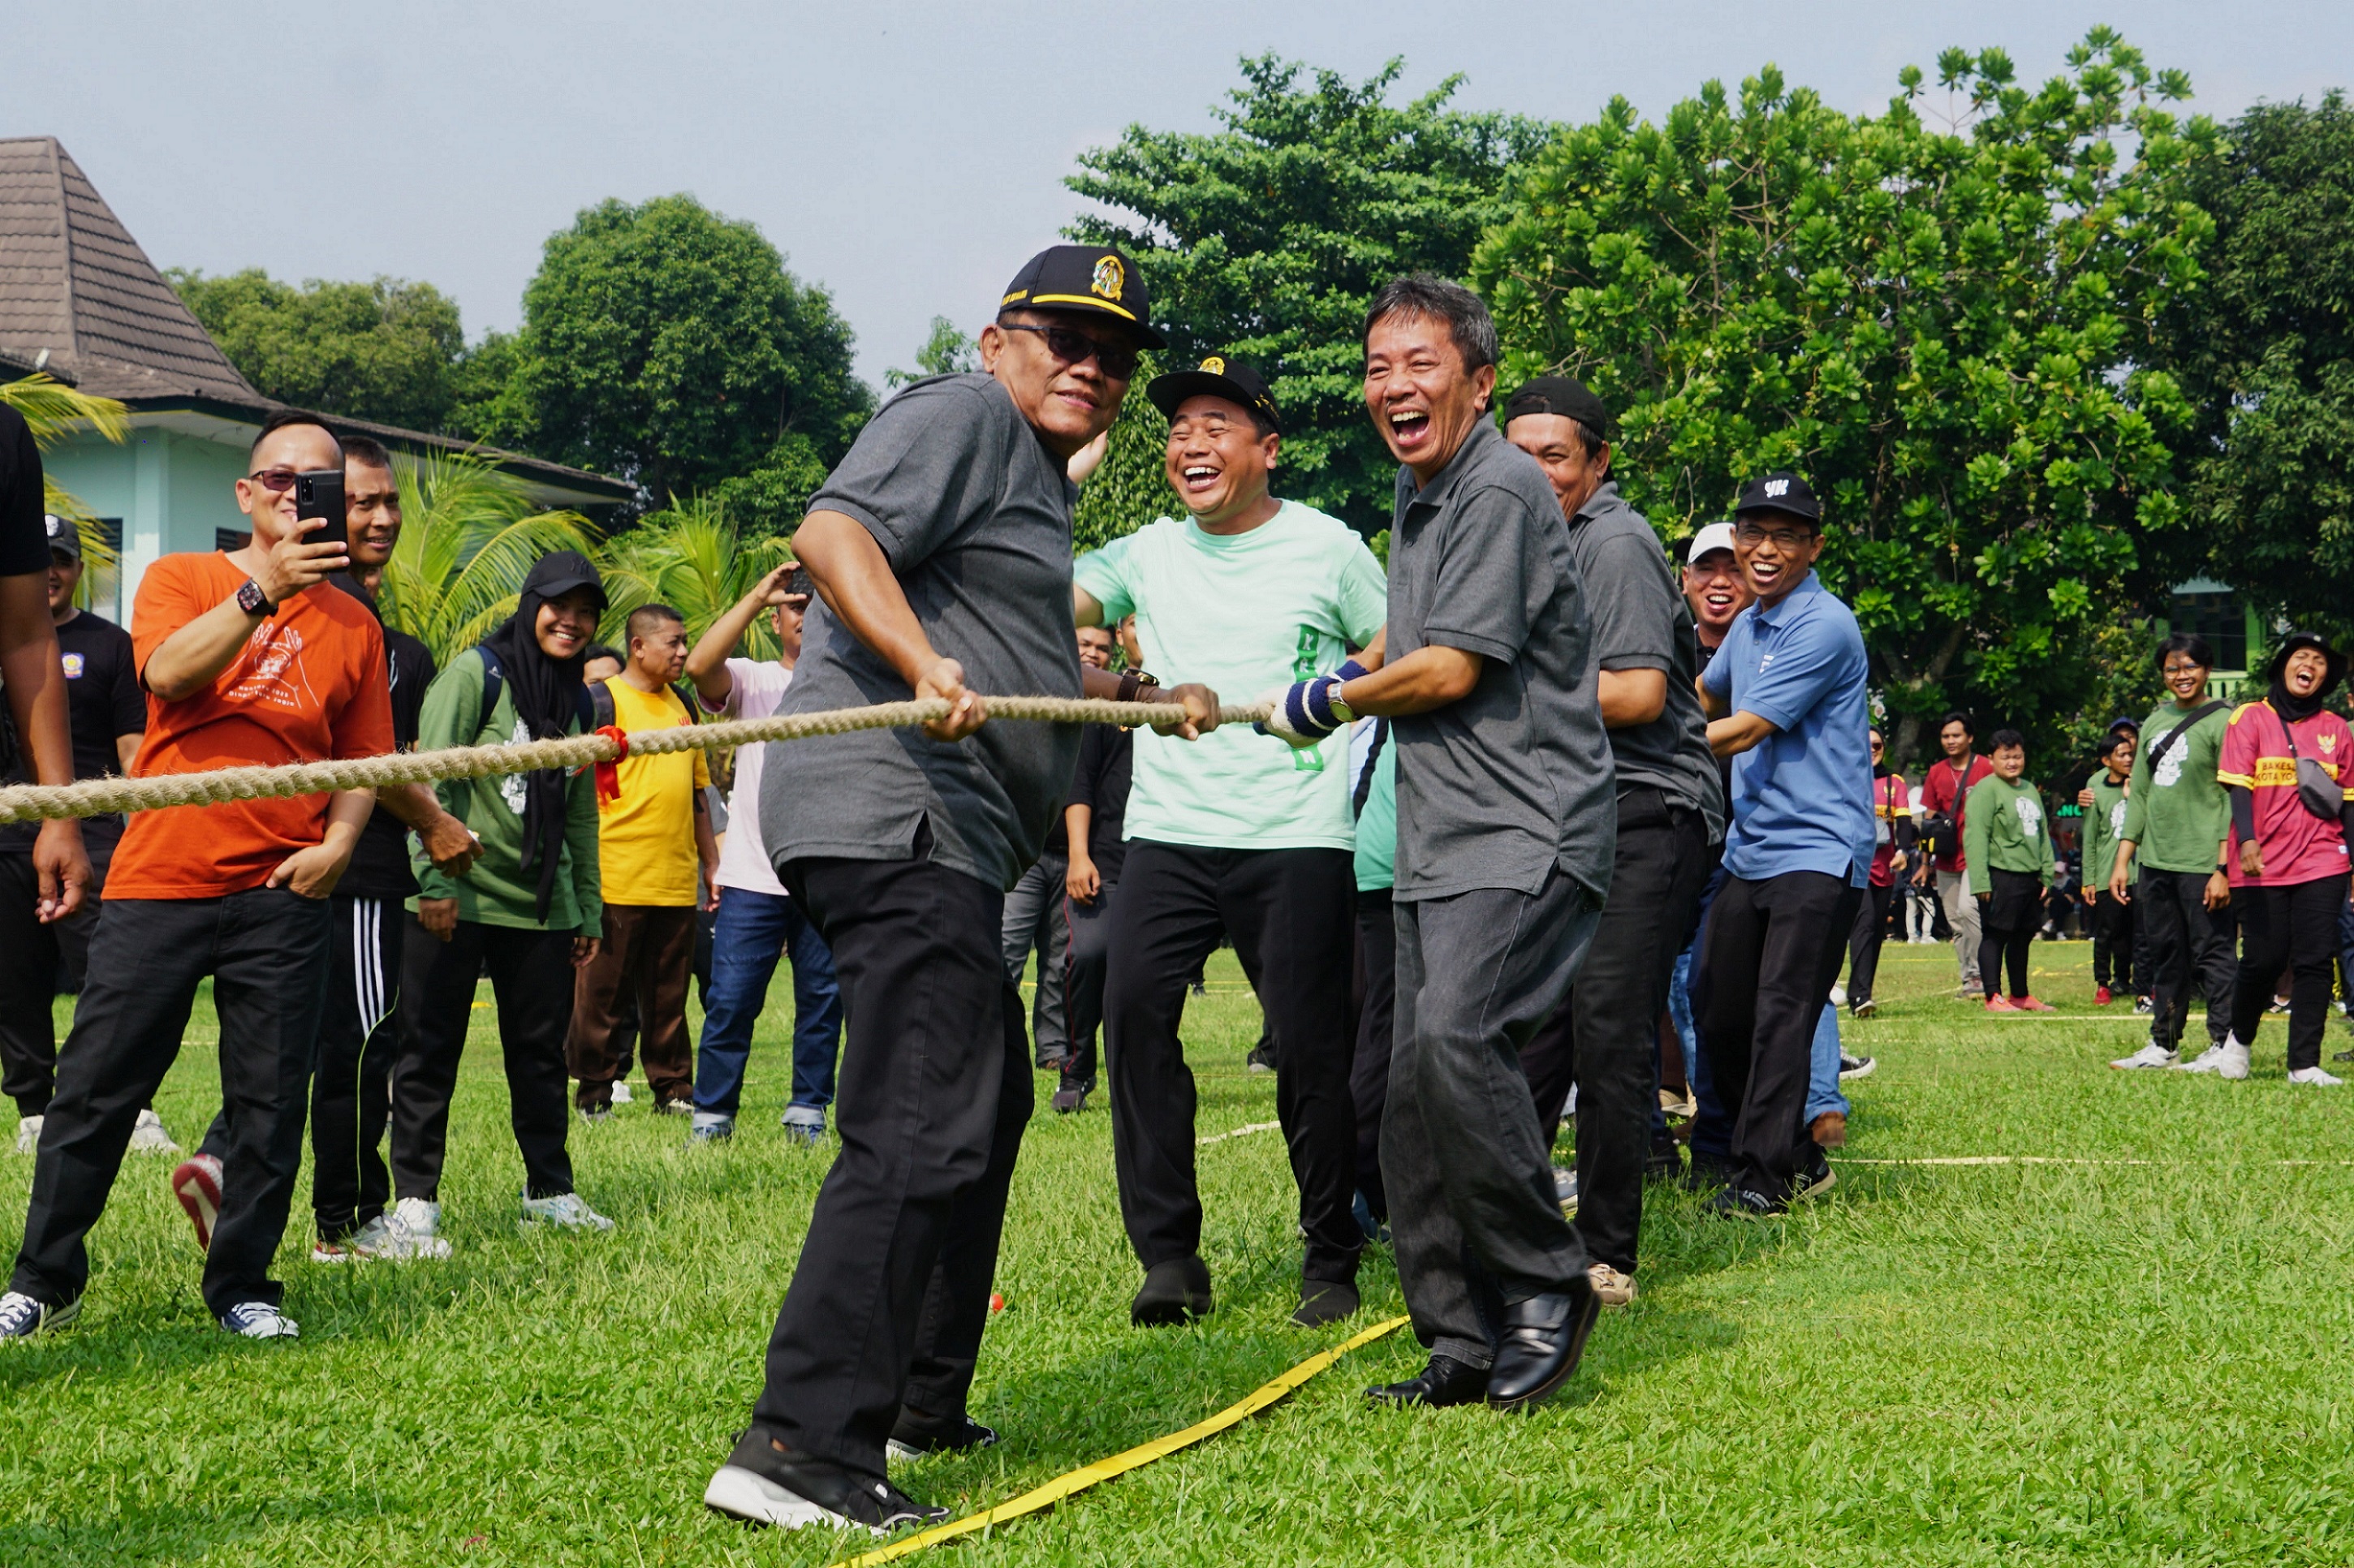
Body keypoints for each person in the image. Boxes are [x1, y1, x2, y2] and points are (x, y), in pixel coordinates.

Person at [703, 244, 1218, 1533]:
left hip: (948, 832)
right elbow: (832, 533)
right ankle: (800, 1446)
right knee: (923, 1118)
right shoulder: (963, 413)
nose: (1090, 366)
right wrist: (920, 658)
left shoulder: (1032, 485)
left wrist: (1147, 702)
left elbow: (1021, 669)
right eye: (1064, 338)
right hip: (898, 813)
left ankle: (922, 1400)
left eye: (1114, 354)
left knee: (977, 1108)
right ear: (1000, 340)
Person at [1265, 275, 1617, 1413]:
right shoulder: (1419, 501)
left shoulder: (1503, 486)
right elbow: (1406, 648)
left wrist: (1331, 699)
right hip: (1439, 842)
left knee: (1461, 1042)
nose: (1394, 387)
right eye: (1377, 367)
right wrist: (1323, 675)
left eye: (1419, 364)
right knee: (1413, 1094)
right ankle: (1459, 1339)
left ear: (1477, 378)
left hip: (1530, 828)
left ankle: (1543, 1286)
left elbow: (1453, 668)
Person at [3, 410, 386, 1343]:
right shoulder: (183, 578)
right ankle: (43, 1278)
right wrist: (263, 588)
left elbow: (365, 756)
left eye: (319, 482)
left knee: (268, 1097)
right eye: (282, 480)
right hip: (162, 874)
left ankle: (244, 1282)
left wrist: (337, 847)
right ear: (247, 495)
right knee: (97, 1086)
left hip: (281, 888)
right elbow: (169, 675)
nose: (299, 495)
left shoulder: (355, 623)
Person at [1074, 352, 1386, 1332]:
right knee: (1130, 1023)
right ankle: (1169, 1258)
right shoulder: (1140, 554)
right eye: (1177, 429)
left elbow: (1395, 648)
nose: (1189, 443)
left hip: (1296, 836)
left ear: (1267, 449)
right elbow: (1040, 617)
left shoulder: (1328, 548)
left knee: (1308, 1051)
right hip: (1166, 834)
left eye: (1216, 425)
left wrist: (1329, 696)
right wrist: (1141, 696)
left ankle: (1330, 1250)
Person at [171, 437, 484, 1262]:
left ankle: (223, 1157)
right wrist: (434, 824)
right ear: (305, 503)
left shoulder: (372, 624)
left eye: (389, 502)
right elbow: (360, 763)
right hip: (346, 863)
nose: (379, 517)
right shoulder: (318, 608)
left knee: (304, 1036)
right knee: (357, 1041)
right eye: (358, 500)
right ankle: (343, 1222)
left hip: (336, 859)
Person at [1504, 376, 1722, 1310]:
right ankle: (1512, 1223)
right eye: (1515, 455)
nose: (1534, 473)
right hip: (1563, 812)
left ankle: (1605, 1254)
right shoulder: (1518, 542)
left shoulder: (1617, 543)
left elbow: (1633, 697)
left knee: (1604, 1017)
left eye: (1553, 456)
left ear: (1595, 462)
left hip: (1648, 806)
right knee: (1529, 1021)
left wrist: (1486, 692)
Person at [389, 551, 613, 1251]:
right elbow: (427, 783)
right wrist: (434, 883)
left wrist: (586, 907)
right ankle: (416, 1199)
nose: (570, 623)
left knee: (541, 1055)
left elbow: (578, 811)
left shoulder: (577, 699)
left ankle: (549, 1190)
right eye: (559, 607)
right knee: (429, 1053)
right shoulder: (475, 675)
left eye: (586, 614)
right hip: (458, 898)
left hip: (538, 907)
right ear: (529, 604)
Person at [1693, 471, 1873, 1219]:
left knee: (1780, 1015)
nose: (1765, 551)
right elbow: (1706, 697)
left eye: (1786, 536)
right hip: (1751, 848)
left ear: (1814, 546)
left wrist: (1651, 752)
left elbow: (1744, 728)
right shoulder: (1750, 623)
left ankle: (1763, 1177)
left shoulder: (1823, 623)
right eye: (1753, 534)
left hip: (1820, 851)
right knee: (1714, 1001)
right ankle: (1795, 1155)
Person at [0, 515, 156, 1156]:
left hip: (93, 838)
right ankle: (35, 1108)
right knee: (15, 983)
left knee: (109, 978)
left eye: (62, 560)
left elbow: (133, 749)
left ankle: (132, 1106)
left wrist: (148, 828)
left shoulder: (110, 645)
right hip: (10, 835)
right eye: (44, 560)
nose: (53, 573)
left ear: (74, 569)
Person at [684, 563, 844, 1144]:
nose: (807, 619)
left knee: (823, 1001)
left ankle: (808, 1112)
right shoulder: (752, 681)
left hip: (827, 870)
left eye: (820, 606)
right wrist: (754, 596)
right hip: (753, 872)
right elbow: (699, 666)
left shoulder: (856, 685)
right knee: (730, 1000)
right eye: (796, 608)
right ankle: (712, 1118)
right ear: (776, 620)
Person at [567, 605, 718, 1118]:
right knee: (601, 997)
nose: (683, 652)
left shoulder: (686, 707)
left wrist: (711, 863)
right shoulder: (599, 701)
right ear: (638, 647)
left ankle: (674, 1089)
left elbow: (699, 793)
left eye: (685, 642)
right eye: (674, 643)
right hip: (615, 875)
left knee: (668, 997)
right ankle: (594, 1093)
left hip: (676, 879)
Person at [2185, 633, 2354, 1083]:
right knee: (2264, 957)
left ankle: (2304, 1063)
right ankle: (2238, 1043)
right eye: (2301, 657)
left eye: (2319, 662)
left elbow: (2349, 803)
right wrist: (2247, 841)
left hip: (2324, 857)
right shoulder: (2250, 717)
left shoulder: (2337, 728)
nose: (2310, 666)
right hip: (2261, 861)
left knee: (2316, 959)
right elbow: (2239, 786)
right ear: (2283, 665)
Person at [2107, 635, 2235, 1070]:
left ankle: (2223, 1044)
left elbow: (2235, 797)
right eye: (2172, 669)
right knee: (2166, 953)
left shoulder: (2225, 722)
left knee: (2213, 953)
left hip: (2203, 861)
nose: (2181, 676)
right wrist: (2123, 859)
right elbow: (2139, 796)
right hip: (2156, 862)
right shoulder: (2153, 723)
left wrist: (2223, 866)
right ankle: (2164, 1043)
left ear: (2207, 670)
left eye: (2189, 667)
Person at [999, 627, 1112, 1071]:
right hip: (1024, 850)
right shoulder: (1031, 688)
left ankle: (1051, 1051)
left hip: (1077, 857)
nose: (1092, 654)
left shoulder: (1110, 711)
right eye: (1084, 644)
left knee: (1059, 963)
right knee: (1005, 949)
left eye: (1102, 648)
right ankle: (992, 1041)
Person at [1056, 618, 1137, 1114]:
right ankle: (1077, 1068)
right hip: (1103, 860)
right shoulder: (1106, 702)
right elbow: (1080, 783)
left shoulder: (1192, 695)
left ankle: (1137, 1077)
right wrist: (1079, 854)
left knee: (1145, 977)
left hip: (1161, 855)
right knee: (1086, 955)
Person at [1965, 730, 2062, 1012]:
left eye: (2017, 756)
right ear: (1991, 759)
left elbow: (2042, 835)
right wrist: (1981, 880)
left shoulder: (2030, 789)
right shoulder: (1986, 790)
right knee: (1995, 934)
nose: (2012, 762)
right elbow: (1975, 838)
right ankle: (1993, 996)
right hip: (2000, 873)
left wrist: (2046, 874)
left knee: (2023, 935)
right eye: (2005, 757)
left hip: (2029, 875)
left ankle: (2020, 994)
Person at [1917, 712, 1994, 998]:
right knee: (1955, 922)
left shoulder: (1985, 767)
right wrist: (1925, 863)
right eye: (1945, 736)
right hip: (1946, 857)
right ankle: (1968, 979)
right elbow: (1929, 821)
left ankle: (1979, 974)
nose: (1950, 741)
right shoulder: (1937, 771)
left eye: (1956, 735)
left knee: (1968, 910)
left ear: (1970, 738)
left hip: (1977, 855)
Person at [1846, 728, 1914, 1016]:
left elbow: (1904, 821)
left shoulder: (1893, 782)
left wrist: (1903, 852)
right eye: (1866, 744)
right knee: (1863, 924)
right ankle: (1860, 997)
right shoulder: (1847, 777)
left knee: (1875, 931)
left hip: (1885, 868)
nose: (1872, 749)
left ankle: (1862, 992)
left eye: (1877, 744)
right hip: (1852, 864)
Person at [2082, 729, 2140, 1005]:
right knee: (2107, 933)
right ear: (2107, 761)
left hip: (2139, 873)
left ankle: (2133, 982)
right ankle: (2103, 984)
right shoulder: (2096, 793)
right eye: (2122, 755)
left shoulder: (2141, 787)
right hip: (2106, 874)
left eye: (2131, 753)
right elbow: (2090, 839)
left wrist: (2132, 796)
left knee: (2138, 933)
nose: (2128, 759)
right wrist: (2089, 879)